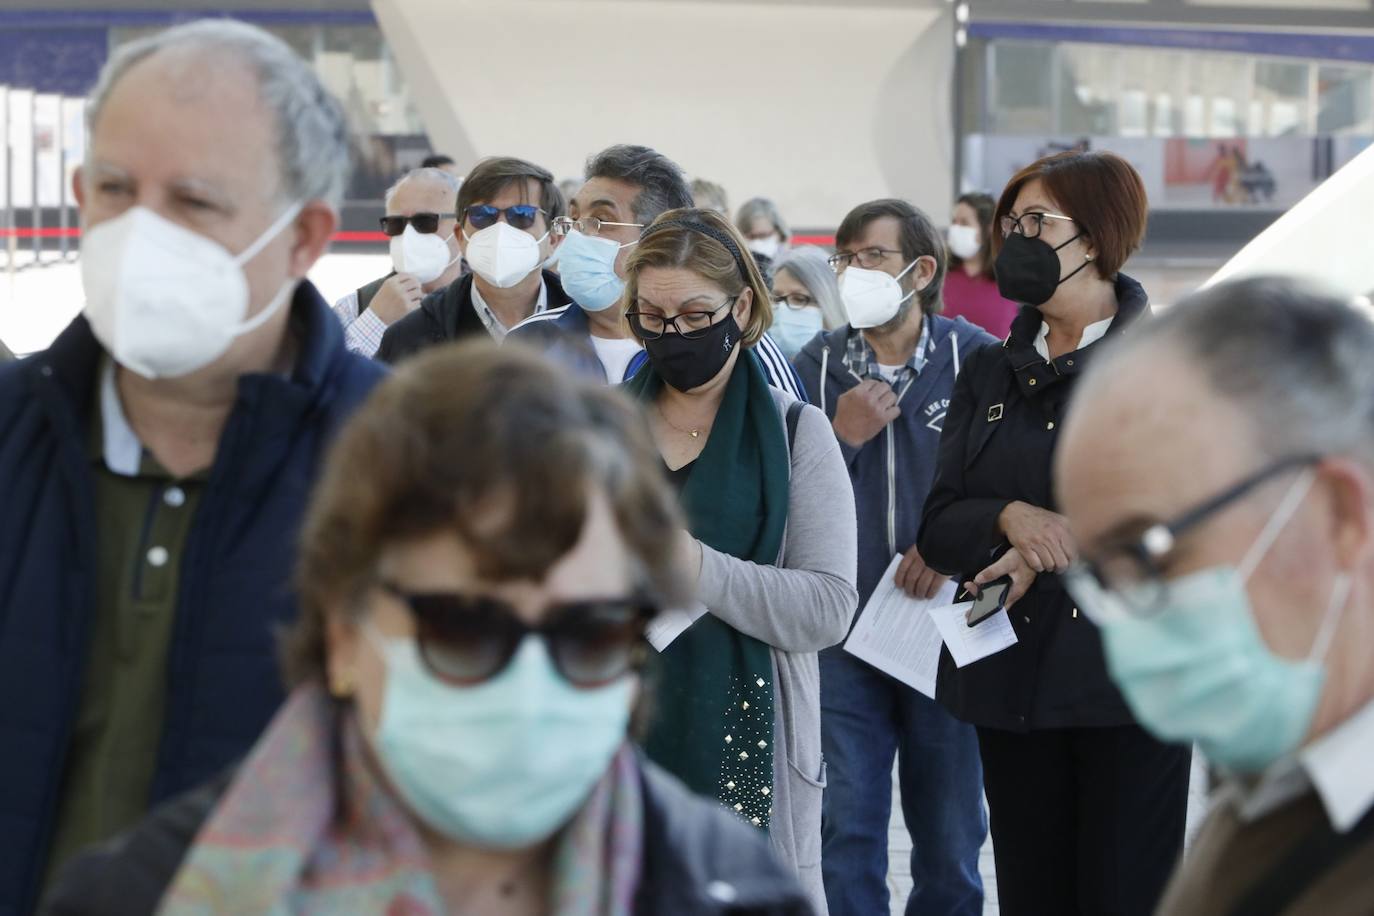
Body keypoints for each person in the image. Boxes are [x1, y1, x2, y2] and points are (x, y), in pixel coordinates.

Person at [42, 343, 815, 916]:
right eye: (466, 627)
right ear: (344, 631)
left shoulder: (738, 890)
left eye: (590, 633)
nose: (529, 686)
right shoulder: (139, 893)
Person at [0, 20, 385, 914]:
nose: (142, 235)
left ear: (304, 239)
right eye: (115, 189)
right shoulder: (12, 434)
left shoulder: (416, 473)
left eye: (195, 202)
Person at [917, 150, 1191, 916]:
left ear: (1098, 239)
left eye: (1038, 221)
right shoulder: (987, 372)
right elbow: (938, 527)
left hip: (1130, 691)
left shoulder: (1172, 367)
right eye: (1011, 223)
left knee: (1123, 894)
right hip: (1011, 687)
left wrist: (1059, 543)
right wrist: (1009, 519)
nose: (1016, 238)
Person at [1056, 277, 1374, 916]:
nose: (1124, 617)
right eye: (1101, 574)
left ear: (1339, 515)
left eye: (1148, 552)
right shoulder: (1268, 792)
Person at [619, 207, 858, 914]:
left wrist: (692, 564)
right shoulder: (596, 429)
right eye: (653, 316)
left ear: (742, 305)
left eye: (695, 313)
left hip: (751, 746)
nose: (674, 334)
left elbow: (827, 608)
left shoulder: (796, 433)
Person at [791, 199, 994, 916]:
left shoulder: (977, 358)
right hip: (843, 639)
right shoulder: (812, 367)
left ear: (922, 269)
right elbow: (786, 501)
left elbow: (1012, 486)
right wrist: (840, 438)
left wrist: (951, 544)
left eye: (871, 257)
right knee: (847, 825)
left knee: (951, 832)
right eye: (844, 258)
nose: (853, 272)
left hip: (946, 631)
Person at [506, 145, 808, 401]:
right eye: (573, 219)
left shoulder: (730, 344)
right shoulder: (529, 341)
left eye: (600, 219)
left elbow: (794, 454)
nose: (577, 235)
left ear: (657, 236)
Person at [376, 156, 569, 362]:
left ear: (553, 240)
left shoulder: (591, 326)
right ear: (460, 236)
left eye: (521, 215)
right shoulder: (410, 337)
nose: (500, 229)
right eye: (482, 215)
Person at [331, 167, 463, 357]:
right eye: (397, 224)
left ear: (461, 228)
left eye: (425, 222)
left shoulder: (489, 301)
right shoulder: (354, 308)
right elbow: (325, 380)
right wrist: (376, 321)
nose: (408, 235)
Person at [943, 191, 1016, 339]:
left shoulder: (1009, 279)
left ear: (988, 228)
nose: (956, 229)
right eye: (954, 221)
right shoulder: (940, 274)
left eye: (964, 223)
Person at [768, 246, 844, 359]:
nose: (783, 308)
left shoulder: (856, 368)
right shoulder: (759, 369)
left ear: (829, 303)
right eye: (776, 299)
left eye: (799, 299)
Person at [735, 197, 789, 279]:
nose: (757, 242)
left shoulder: (791, 268)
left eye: (763, 235)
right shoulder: (735, 272)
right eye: (751, 237)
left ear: (779, 233)